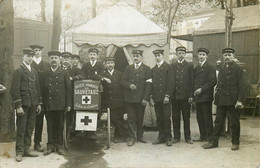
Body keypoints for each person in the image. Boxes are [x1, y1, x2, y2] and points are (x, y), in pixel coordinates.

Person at [202, 48, 246, 151]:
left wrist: (240, 100)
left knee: (234, 122)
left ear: (233, 56)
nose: (227, 57)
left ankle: (235, 143)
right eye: (225, 55)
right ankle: (214, 142)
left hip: (233, 100)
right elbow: (219, 85)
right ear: (223, 57)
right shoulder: (221, 69)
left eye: (229, 55)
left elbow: (242, 86)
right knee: (218, 122)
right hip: (222, 100)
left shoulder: (238, 69)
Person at [10, 48, 42, 162]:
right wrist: (18, 106)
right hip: (23, 105)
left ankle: (27, 149)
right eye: (28, 56)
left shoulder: (34, 71)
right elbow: (14, 89)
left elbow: (37, 88)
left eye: (31, 56)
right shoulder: (18, 71)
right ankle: (19, 152)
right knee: (21, 129)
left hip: (33, 104)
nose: (30, 58)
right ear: (22, 57)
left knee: (29, 128)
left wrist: (39, 103)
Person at [42, 50, 72, 155]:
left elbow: (68, 89)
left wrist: (68, 104)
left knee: (59, 125)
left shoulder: (64, 72)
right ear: (49, 60)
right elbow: (42, 89)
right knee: (50, 125)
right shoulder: (45, 73)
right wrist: (42, 103)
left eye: (56, 58)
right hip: (49, 104)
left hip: (61, 104)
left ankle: (59, 146)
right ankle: (50, 146)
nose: (54, 60)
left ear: (59, 60)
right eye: (52, 58)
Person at [121, 49, 152, 146]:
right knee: (131, 118)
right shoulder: (128, 68)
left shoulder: (147, 69)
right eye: (134, 56)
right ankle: (131, 137)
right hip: (129, 99)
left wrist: (145, 98)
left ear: (141, 57)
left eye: (137, 56)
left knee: (140, 118)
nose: (135, 58)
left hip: (140, 99)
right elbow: (122, 81)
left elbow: (149, 85)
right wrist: (129, 85)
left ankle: (140, 136)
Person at [101, 57, 128, 143]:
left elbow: (123, 86)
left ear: (114, 64)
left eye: (111, 63)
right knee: (113, 118)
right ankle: (123, 133)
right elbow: (94, 76)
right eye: (108, 63)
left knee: (119, 118)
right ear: (105, 64)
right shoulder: (103, 74)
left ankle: (119, 136)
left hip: (119, 99)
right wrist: (104, 78)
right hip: (108, 100)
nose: (110, 65)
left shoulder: (119, 74)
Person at [171, 46, 194, 144]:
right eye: (179, 53)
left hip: (185, 97)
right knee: (175, 117)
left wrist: (191, 95)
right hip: (175, 97)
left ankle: (187, 137)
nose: (181, 55)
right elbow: (171, 81)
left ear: (185, 54)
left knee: (186, 117)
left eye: (182, 53)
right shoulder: (172, 66)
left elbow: (192, 82)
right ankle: (176, 137)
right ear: (176, 54)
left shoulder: (189, 66)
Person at [193, 48, 216, 142]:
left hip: (206, 96)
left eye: (203, 54)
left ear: (206, 56)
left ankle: (209, 137)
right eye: (200, 54)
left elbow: (213, 81)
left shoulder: (210, 67)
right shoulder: (197, 67)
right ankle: (202, 136)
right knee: (200, 117)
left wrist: (201, 89)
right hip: (198, 97)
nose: (201, 56)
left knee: (207, 117)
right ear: (197, 56)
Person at [150, 49, 173, 146]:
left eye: (159, 55)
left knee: (166, 117)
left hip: (165, 98)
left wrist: (167, 95)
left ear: (162, 56)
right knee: (159, 118)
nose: (157, 57)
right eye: (155, 56)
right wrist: (151, 97)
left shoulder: (168, 67)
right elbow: (151, 85)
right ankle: (161, 136)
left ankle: (168, 137)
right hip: (157, 97)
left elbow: (171, 82)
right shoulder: (153, 70)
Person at [29, 44, 49, 152]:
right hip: (32, 96)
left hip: (44, 97)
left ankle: (37, 142)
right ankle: (27, 143)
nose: (37, 52)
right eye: (35, 50)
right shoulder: (29, 63)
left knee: (40, 121)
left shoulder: (46, 64)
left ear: (41, 52)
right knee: (31, 120)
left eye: (39, 50)